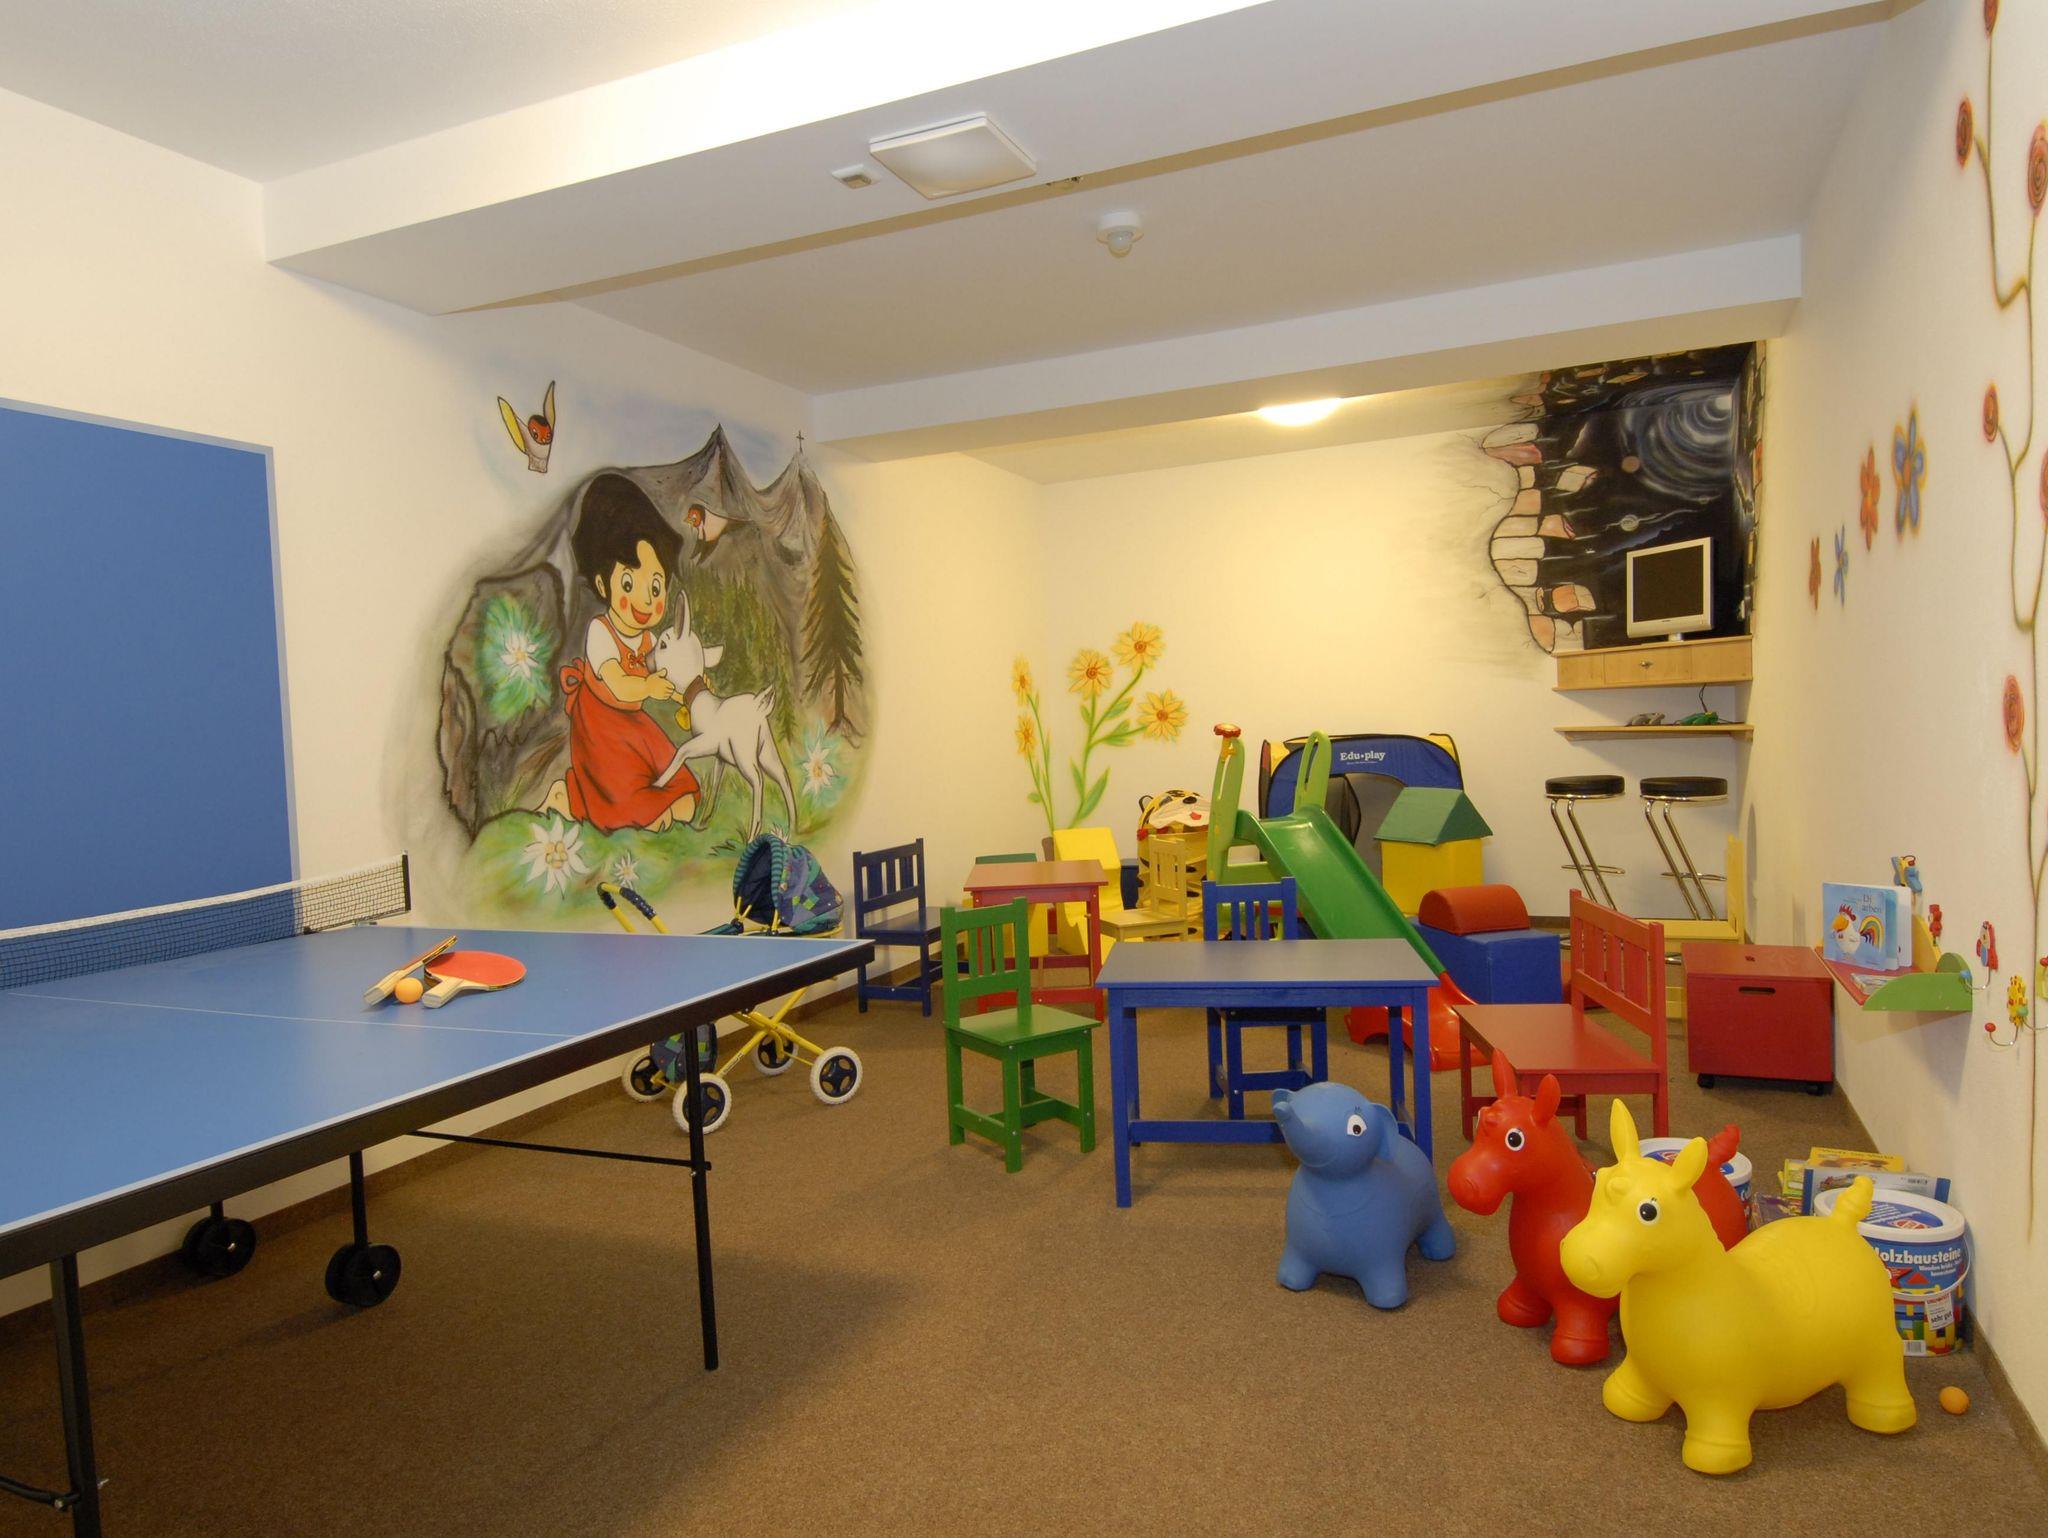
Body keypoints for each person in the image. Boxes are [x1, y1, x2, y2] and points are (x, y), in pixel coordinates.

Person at [541, 476, 700, 831]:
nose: (645, 599)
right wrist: (648, 687)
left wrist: (689, 694)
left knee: (684, 794)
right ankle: (570, 797)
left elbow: (669, 675)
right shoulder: (601, 633)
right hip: (602, 727)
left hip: (633, 725)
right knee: (625, 798)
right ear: (603, 585)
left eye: (656, 587)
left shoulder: (648, 639)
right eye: (629, 583)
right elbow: (617, 684)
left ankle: (637, 809)